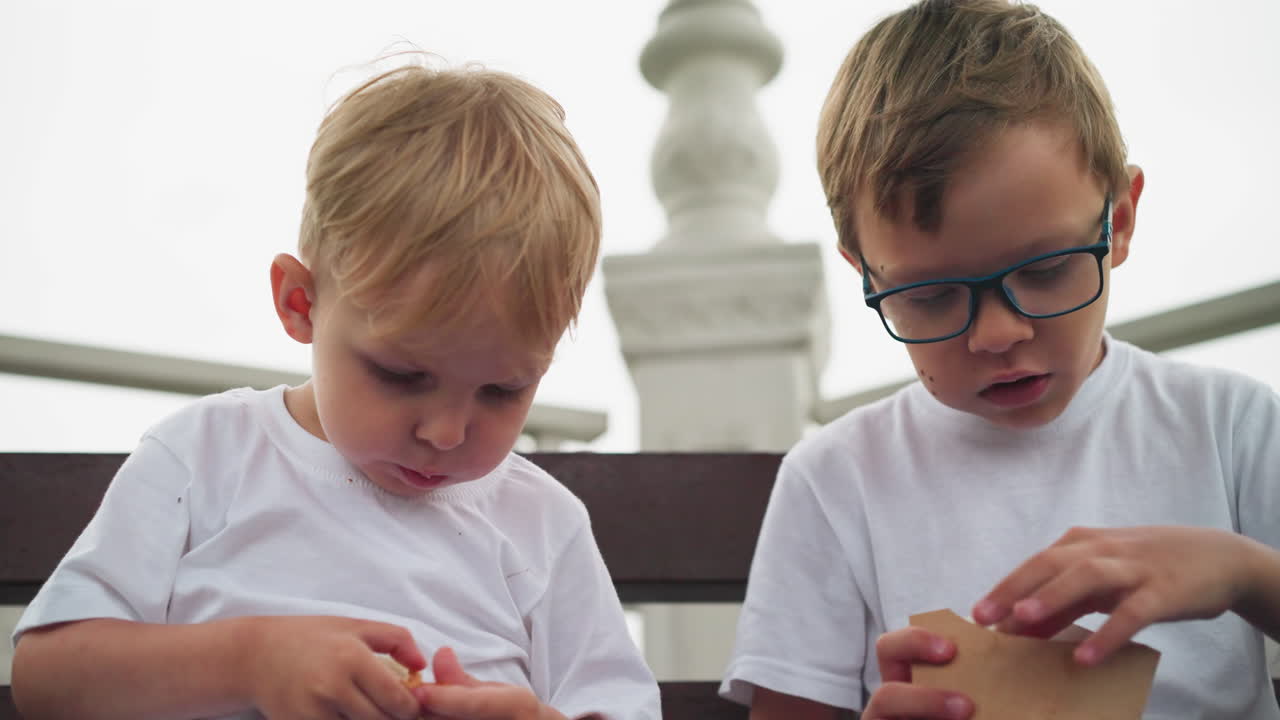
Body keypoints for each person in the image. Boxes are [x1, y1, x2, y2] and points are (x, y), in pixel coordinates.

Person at [11, 55, 659, 720]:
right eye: (403, 375)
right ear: (301, 303)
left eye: (502, 391)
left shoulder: (539, 523)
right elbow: (46, 676)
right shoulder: (208, 455)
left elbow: (620, 706)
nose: (444, 432)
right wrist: (249, 663)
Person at [719, 1, 1280, 718]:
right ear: (865, 273)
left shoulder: (1229, 428)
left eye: (1045, 270)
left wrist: (1245, 575)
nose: (997, 332)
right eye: (930, 295)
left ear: (1121, 223)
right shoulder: (837, 480)